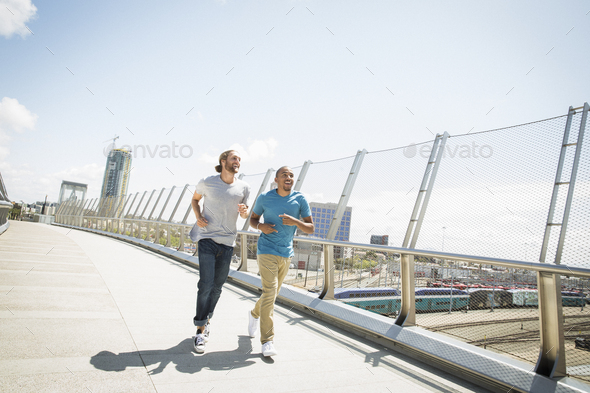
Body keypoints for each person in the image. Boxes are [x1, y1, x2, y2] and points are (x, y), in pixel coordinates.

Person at [247, 166, 314, 357]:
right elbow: (252, 219)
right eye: (284, 175)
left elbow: (310, 228)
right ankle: (267, 341)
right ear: (276, 179)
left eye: (291, 175)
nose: (288, 177)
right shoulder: (264, 198)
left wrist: (296, 222)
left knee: (272, 294)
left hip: (286, 253)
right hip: (266, 250)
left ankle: (253, 314)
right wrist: (260, 226)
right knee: (270, 293)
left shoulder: (299, 199)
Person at [189, 150, 250, 353]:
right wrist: (198, 216)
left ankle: (206, 321)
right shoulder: (207, 182)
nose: (237, 162)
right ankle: (199, 330)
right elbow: (195, 200)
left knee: (217, 287)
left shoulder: (243, 187)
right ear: (223, 162)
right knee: (205, 284)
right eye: (234, 158)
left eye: (239, 159)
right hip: (207, 238)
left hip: (227, 243)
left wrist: (244, 212)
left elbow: (245, 213)